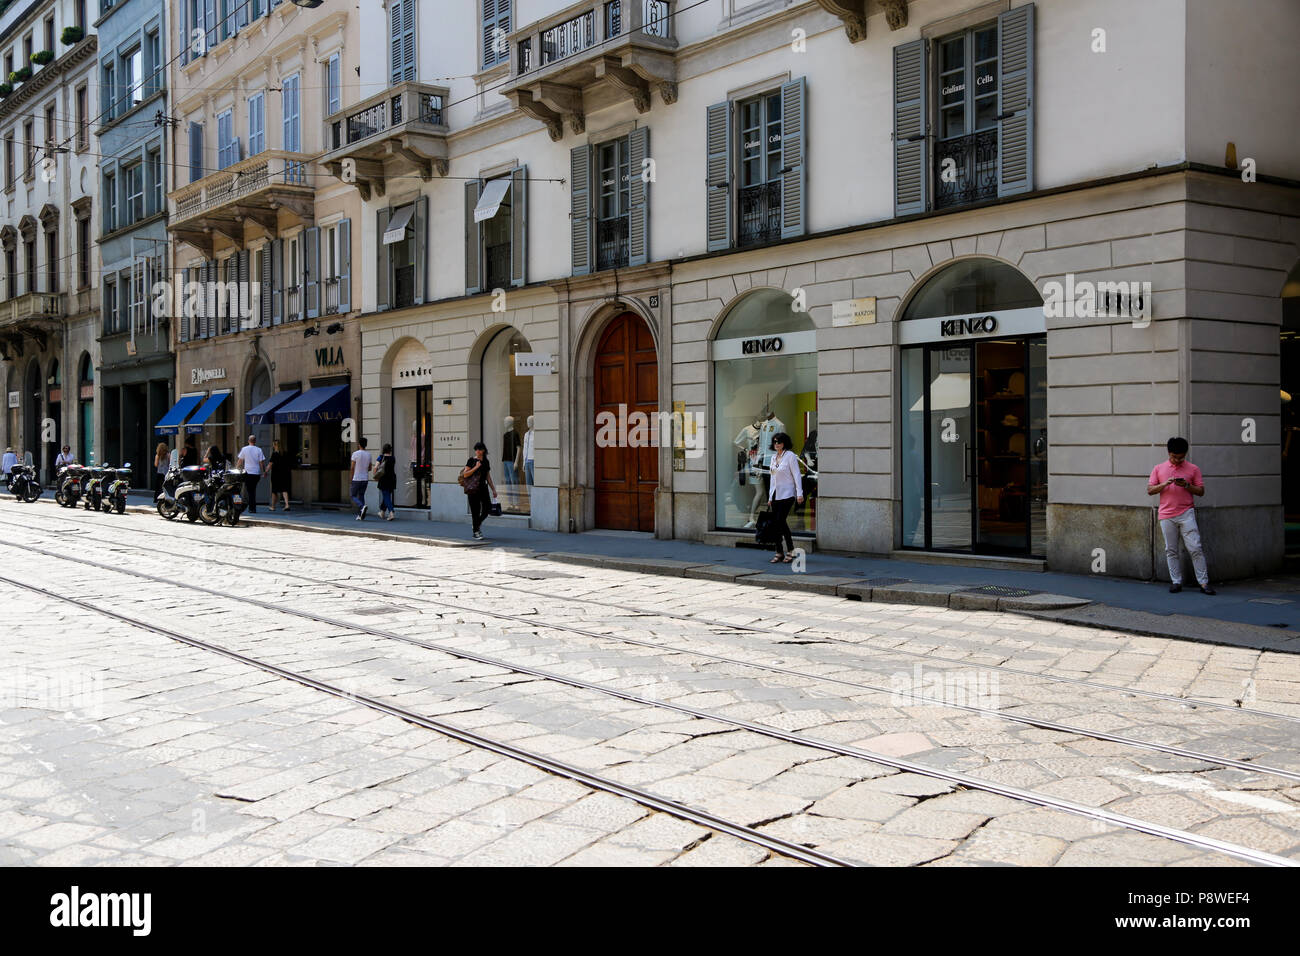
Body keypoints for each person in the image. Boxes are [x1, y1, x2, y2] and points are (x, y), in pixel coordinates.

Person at [1147, 436, 1214, 595]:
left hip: (1186, 513)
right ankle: (1176, 582)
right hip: (1166, 514)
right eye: (1174, 457)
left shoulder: (1193, 469)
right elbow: (1150, 490)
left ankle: (1204, 583)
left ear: (1185, 454)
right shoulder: (1158, 468)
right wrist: (1165, 484)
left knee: (1195, 548)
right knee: (1171, 550)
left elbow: (1201, 492)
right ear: (1169, 453)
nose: (1177, 460)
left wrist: (1187, 485)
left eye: (1181, 457)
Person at [766, 432, 803, 564]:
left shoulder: (790, 456)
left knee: (780, 521)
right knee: (777, 523)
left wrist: (800, 493)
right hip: (776, 494)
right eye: (775, 442)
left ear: (784, 443)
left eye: (779, 442)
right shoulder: (773, 458)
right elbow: (772, 478)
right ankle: (779, 551)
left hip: (787, 494)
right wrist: (770, 496)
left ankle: (791, 550)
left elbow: (797, 475)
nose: (777, 444)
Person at [460, 441, 497, 540]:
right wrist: (476, 467)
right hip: (473, 489)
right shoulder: (471, 460)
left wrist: (493, 489)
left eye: (479, 449)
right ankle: (476, 532)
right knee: (475, 511)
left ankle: (477, 524)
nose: (477, 451)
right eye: (476, 449)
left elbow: (488, 477)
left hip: (483, 488)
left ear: (483, 450)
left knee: (487, 508)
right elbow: (465, 474)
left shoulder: (486, 461)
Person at [237, 435, 265, 513]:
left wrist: (236, 468)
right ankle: (252, 507)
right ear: (255, 441)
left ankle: (251, 508)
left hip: (248, 473)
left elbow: (240, 460)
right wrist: (263, 471)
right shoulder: (259, 450)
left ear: (248, 441)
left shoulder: (244, 449)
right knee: (252, 490)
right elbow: (261, 462)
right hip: (256, 473)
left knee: (249, 491)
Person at [373, 443, 397, 520]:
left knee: (386, 496)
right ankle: (382, 512)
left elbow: (375, 467)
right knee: (386, 495)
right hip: (392, 479)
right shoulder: (393, 458)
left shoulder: (381, 457)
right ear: (390, 450)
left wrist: (375, 476)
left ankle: (391, 513)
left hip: (384, 479)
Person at [350, 437, 372, 520]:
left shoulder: (355, 454)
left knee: (352, 495)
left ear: (359, 444)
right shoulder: (369, 454)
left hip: (356, 478)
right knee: (361, 495)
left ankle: (362, 506)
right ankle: (360, 515)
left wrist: (351, 478)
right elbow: (370, 468)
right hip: (365, 478)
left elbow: (352, 467)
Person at [268, 439, 292, 512]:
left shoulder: (274, 454)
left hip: (276, 474)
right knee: (284, 489)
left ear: (275, 445)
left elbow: (270, 464)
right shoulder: (285, 453)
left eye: (273, 444)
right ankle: (287, 505)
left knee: (274, 490)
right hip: (285, 473)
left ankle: (273, 506)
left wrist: (265, 471)